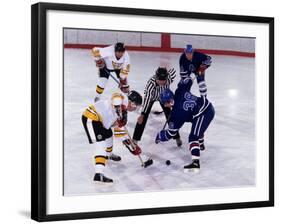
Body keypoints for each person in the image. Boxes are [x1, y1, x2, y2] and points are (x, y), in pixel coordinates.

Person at [81, 90, 143, 183]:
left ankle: (108, 155)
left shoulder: (124, 112)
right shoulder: (123, 99)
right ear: (131, 102)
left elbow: (119, 131)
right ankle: (99, 173)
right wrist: (120, 111)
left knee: (109, 134)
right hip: (92, 118)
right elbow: (116, 97)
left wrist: (131, 146)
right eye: (135, 106)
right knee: (100, 145)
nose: (135, 109)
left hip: (101, 122)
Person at [155, 78, 215, 172]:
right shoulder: (179, 91)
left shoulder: (176, 114)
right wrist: (185, 80)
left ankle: (195, 163)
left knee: (193, 137)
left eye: (164, 104)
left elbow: (170, 133)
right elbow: (187, 81)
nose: (165, 106)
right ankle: (201, 145)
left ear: (167, 102)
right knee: (197, 125)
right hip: (207, 106)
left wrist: (159, 136)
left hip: (203, 113)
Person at [132, 67, 182, 147]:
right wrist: (142, 114)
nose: (162, 82)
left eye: (164, 80)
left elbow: (173, 71)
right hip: (151, 97)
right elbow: (147, 99)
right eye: (160, 80)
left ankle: (177, 137)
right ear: (156, 77)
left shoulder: (168, 78)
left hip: (163, 97)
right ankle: (135, 139)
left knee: (170, 116)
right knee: (142, 118)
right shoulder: (151, 84)